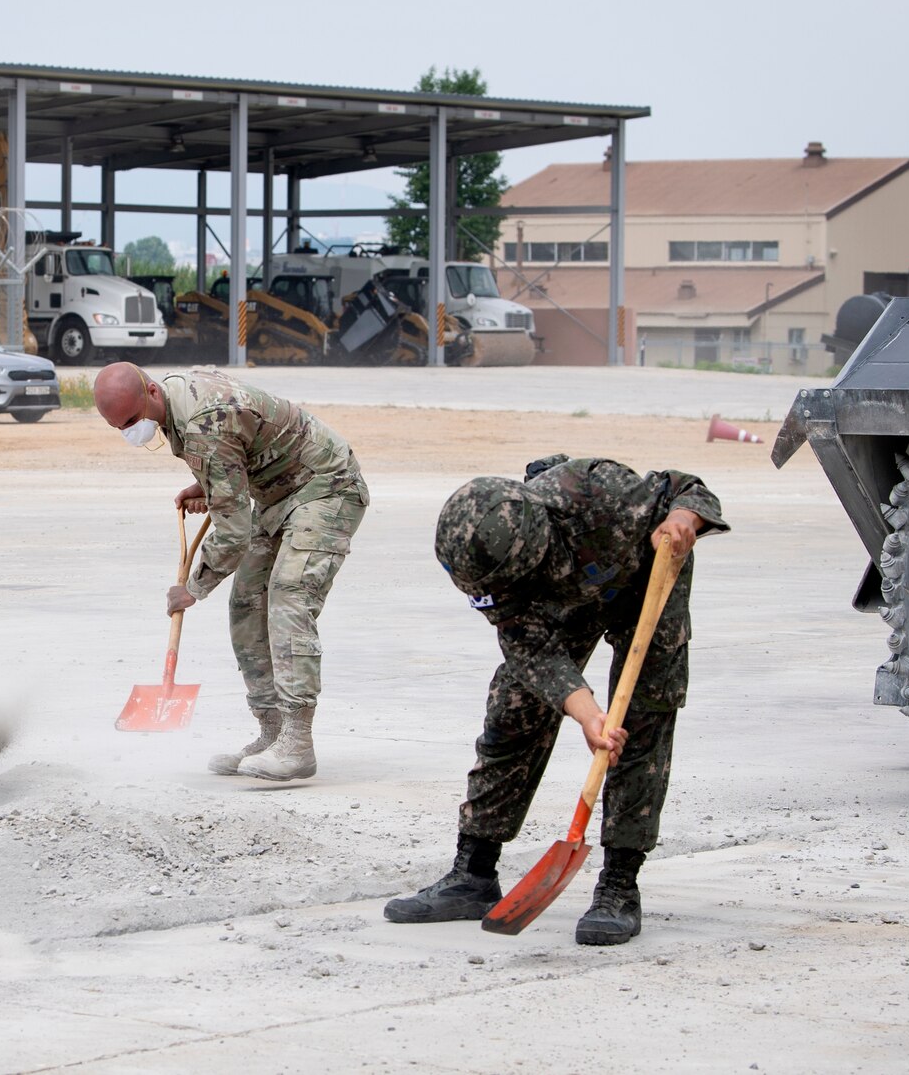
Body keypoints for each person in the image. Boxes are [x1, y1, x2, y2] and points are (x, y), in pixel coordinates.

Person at [383, 454, 726, 945]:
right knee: (514, 709)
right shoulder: (489, 566)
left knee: (642, 725)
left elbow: (689, 488)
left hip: (647, 581)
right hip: (564, 597)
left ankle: (618, 887)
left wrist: (683, 519)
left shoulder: (600, 492)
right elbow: (530, 649)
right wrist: (587, 714)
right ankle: (473, 874)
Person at [92, 362, 367, 781]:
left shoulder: (204, 423)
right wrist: (211, 485)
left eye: (132, 419)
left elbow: (234, 533)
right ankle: (270, 731)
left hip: (325, 487)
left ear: (150, 391)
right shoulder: (173, 401)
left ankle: (296, 743)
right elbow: (235, 450)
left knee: (289, 597)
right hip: (277, 494)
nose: (131, 431)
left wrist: (193, 587)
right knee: (246, 604)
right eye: (119, 427)